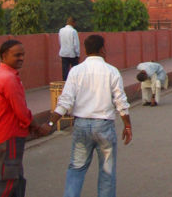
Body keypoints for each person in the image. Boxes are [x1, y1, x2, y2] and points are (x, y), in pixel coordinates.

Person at [48, 34, 132, 197]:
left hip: (81, 125)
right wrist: (127, 126)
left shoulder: (76, 71)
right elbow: (121, 102)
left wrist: (51, 123)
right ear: (102, 49)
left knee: (76, 168)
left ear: (85, 50)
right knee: (107, 172)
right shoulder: (111, 71)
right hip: (104, 125)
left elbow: (65, 101)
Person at [0, 40, 49, 197]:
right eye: (17, 55)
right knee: (8, 180)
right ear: (4, 55)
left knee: (17, 177)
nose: (21, 58)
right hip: (9, 136)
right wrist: (35, 126)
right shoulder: (8, 79)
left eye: (23, 55)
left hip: (1, 134)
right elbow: (21, 110)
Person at [58, 17, 80, 81]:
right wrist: (78, 54)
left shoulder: (61, 30)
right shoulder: (73, 31)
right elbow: (76, 44)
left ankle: (65, 84)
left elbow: (60, 42)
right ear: (73, 23)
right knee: (75, 71)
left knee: (65, 71)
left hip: (63, 53)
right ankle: (74, 82)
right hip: (72, 54)